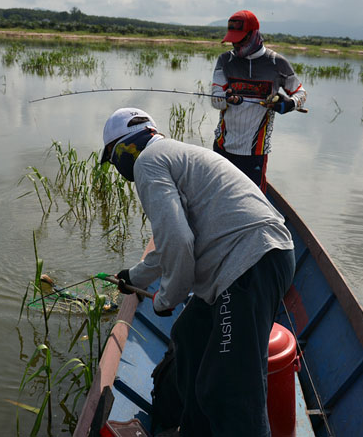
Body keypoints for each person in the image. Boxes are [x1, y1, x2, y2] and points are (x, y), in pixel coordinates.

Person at [100, 107, 295, 437]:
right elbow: (170, 243)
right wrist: (134, 278)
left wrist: (167, 297)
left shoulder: (148, 161)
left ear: (124, 147)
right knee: (189, 337)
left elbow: (178, 240)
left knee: (230, 391)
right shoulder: (173, 152)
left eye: (113, 156)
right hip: (253, 259)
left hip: (249, 264)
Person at [211, 10, 307, 191]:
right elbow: (215, 100)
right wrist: (226, 99)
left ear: (254, 34)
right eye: (233, 39)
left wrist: (288, 104)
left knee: (254, 203)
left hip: (255, 152)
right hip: (222, 147)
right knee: (217, 197)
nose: (236, 44)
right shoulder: (225, 60)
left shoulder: (276, 63)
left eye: (241, 39)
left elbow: (301, 93)